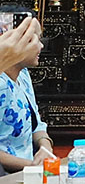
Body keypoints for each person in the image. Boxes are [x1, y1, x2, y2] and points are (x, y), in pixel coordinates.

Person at [0, 17, 53, 174]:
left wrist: (45, 148)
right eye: (35, 39)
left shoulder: (23, 75)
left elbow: (35, 123)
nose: (41, 45)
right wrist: (32, 166)